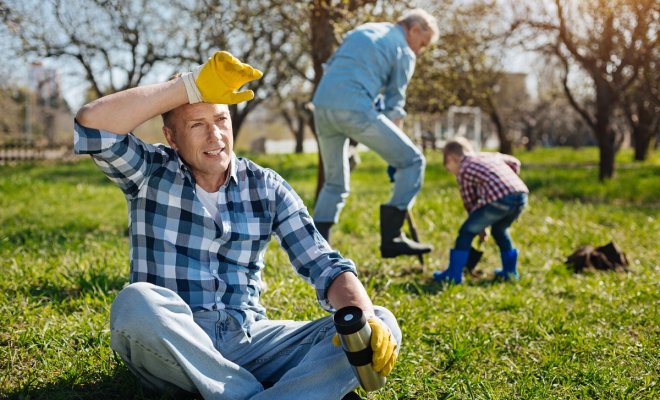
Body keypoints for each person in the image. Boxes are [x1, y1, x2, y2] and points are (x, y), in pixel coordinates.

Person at [73, 51, 400, 399]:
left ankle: (243, 393)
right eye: (197, 125)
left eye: (221, 120)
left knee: (379, 320)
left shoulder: (266, 186)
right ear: (171, 137)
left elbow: (324, 264)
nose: (215, 137)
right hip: (176, 342)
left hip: (251, 341)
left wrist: (362, 314)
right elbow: (93, 123)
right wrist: (188, 86)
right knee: (135, 303)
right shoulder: (149, 171)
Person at [311, 9, 438, 258]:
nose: (419, 51)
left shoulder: (366, 29)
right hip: (354, 107)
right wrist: (397, 156)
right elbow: (395, 105)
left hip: (322, 106)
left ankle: (315, 248)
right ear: (414, 30)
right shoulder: (403, 49)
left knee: (335, 181)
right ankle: (391, 237)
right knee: (413, 161)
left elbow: (337, 66)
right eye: (422, 44)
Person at [433, 137, 529, 284]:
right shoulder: (487, 155)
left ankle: (454, 275)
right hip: (521, 195)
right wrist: (508, 181)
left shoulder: (464, 170)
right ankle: (510, 273)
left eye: (448, 167)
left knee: (466, 232)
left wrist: (480, 228)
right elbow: (515, 162)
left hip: (499, 199)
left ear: (452, 158)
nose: (450, 171)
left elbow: (470, 203)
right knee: (500, 230)